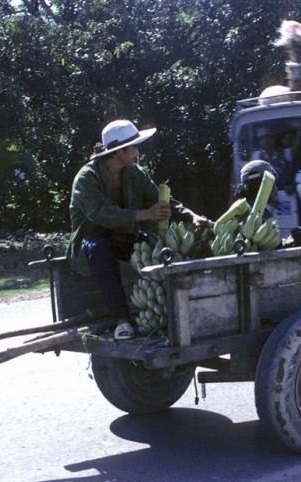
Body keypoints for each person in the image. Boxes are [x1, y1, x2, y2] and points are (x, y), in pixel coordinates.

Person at [66, 119, 210, 340]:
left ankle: (166, 311)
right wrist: (145, 215)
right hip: (93, 242)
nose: (137, 151)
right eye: (133, 147)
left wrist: (190, 216)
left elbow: (160, 199)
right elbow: (100, 213)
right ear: (119, 151)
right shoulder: (87, 178)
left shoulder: (135, 173)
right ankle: (121, 319)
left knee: (158, 248)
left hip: (126, 238)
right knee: (100, 248)